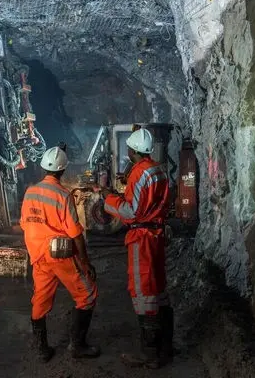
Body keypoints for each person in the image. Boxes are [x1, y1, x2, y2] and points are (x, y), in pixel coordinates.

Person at [102, 128, 174, 369]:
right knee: (158, 287)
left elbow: (131, 212)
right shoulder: (158, 169)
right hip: (156, 234)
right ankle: (166, 346)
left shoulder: (138, 173)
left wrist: (108, 199)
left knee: (143, 289)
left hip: (141, 237)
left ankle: (149, 353)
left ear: (131, 150)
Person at [20, 146, 100, 362]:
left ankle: (42, 350)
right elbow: (76, 233)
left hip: (38, 256)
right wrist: (86, 262)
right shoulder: (63, 195)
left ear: (43, 167)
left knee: (40, 300)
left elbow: (25, 224)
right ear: (63, 170)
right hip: (60, 256)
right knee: (87, 294)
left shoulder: (30, 192)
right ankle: (77, 346)